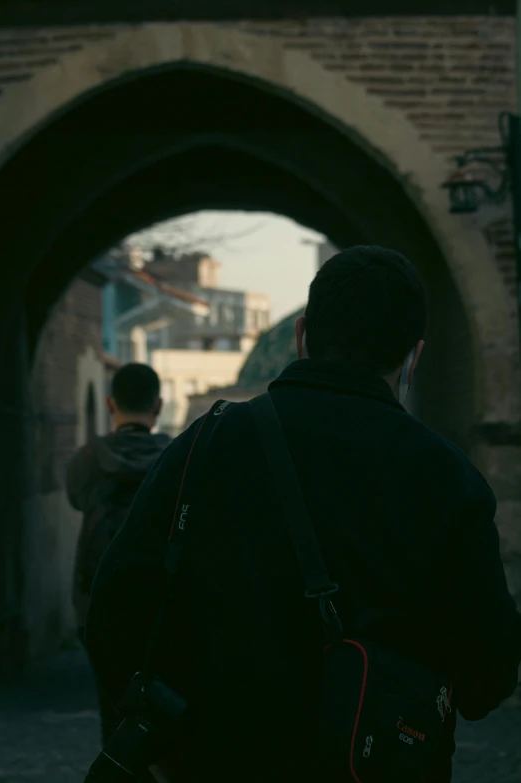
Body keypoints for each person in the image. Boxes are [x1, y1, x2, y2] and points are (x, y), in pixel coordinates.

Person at [85, 247, 521, 782]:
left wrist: (166, 740)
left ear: (301, 335)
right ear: (414, 357)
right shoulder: (449, 479)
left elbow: (113, 609)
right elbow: (489, 675)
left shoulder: (208, 444)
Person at [66, 362, 171, 743]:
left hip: (96, 601)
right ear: (158, 406)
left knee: (110, 704)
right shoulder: (180, 454)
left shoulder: (87, 459)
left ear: (111, 404)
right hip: (163, 603)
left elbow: (76, 500)